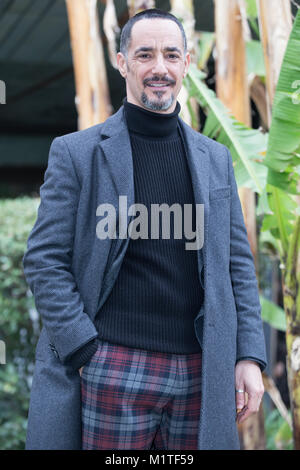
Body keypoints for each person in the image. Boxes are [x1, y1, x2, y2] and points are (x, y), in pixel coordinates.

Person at [23, 8, 267, 450]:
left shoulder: (215, 159)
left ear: (187, 63)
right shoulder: (76, 154)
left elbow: (237, 265)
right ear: (123, 63)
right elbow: (44, 260)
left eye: (171, 55)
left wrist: (248, 356)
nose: (160, 68)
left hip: (201, 372)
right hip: (112, 364)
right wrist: (83, 348)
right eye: (145, 55)